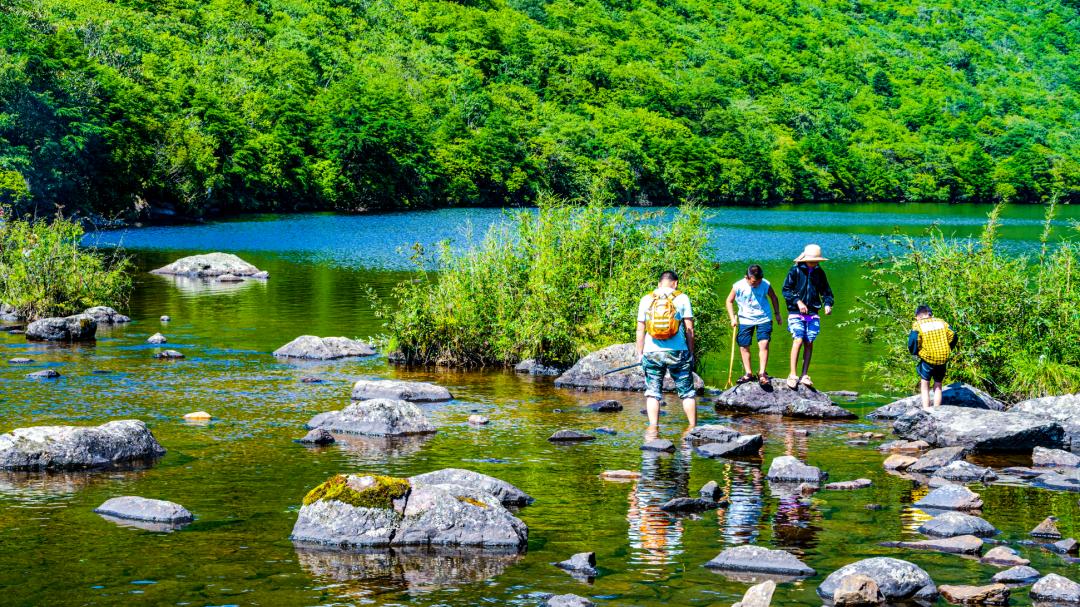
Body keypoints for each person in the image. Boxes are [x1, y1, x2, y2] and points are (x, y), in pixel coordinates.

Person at [635, 270, 696, 435]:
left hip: (652, 352)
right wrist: (691, 352)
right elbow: (689, 328)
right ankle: (692, 428)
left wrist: (640, 353)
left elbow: (640, 329)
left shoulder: (646, 299)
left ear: (659, 283)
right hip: (678, 351)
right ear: (675, 283)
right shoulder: (682, 298)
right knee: (687, 392)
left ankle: (653, 428)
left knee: (653, 392)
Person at [781, 244, 834, 388]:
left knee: (809, 341)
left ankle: (804, 374)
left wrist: (828, 304)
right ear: (805, 259)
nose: (815, 263)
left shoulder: (819, 273)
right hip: (795, 312)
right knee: (798, 339)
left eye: (816, 260)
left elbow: (826, 291)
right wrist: (798, 302)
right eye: (812, 260)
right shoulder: (795, 270)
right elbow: (786, 290)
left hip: (813, 312)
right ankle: (792, 374)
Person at [725, 264, 781, 385]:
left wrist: (777, 314)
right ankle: (748, 373)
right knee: (744, 345)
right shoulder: (738, 286)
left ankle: (762, 373)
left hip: (764, 317)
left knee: (764, 343)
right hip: (745, 319)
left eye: (759, 281)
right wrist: (732, 318)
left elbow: (774, 298)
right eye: (754, 282)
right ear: (747, 278)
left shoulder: (765, 284)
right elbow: (729, 301)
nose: (757, 284)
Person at [908, 305, 957, 409]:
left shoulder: (917, 325)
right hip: (943, 358)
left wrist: (915, 352)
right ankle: (937, 410)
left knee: (925, 384)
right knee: (938, 385)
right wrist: (948, 348)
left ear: (918, 316)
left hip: (928, 359)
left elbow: (913, 342)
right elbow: (954, 335)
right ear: (930, 314)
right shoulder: (941, 322)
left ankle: (926, 410)